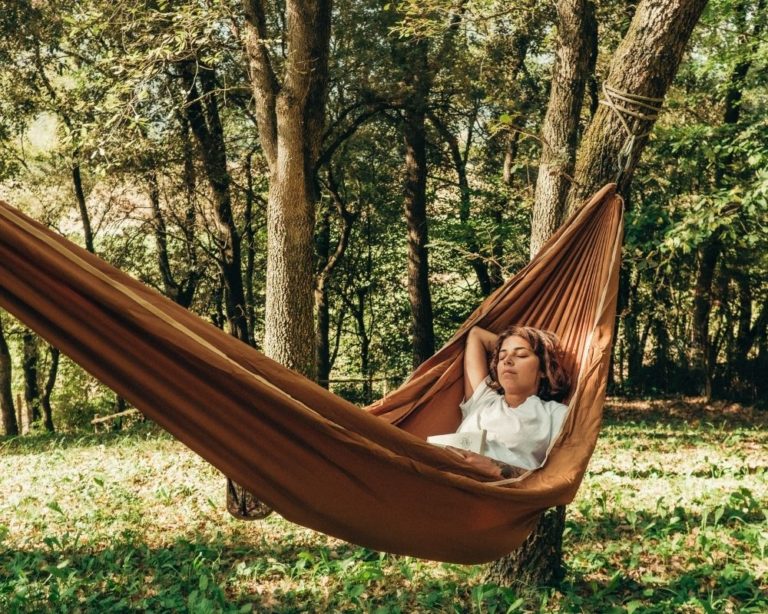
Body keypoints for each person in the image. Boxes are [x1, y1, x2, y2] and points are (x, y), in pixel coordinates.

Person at [450, 325, 572, 479]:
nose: (507, 360)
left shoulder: (556, 414)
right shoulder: (484, 400)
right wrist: (512, 346)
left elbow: (558, 478)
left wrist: (497, 469)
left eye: (521, 355)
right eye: (501, 357)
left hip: (499, 497)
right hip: (443, 481)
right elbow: (476, 335)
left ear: (542, 369)